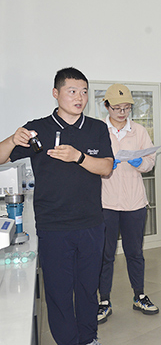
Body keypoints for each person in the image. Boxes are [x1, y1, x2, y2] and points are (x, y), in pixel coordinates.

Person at [0, 68, 113, 345]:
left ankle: (88, 338)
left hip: (91, 223)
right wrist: (13, 140)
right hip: (53, 226)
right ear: (56, 93)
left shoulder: (97, 128)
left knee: (88, 288)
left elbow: (106, 168)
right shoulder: (38, 129)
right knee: (59, 292)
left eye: (84, 92)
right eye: (72, 91)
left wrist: (78, 157)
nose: (79, 97)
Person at [97, 84, 158, 324]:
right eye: (117, 108)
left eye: (126, 108)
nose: (122, 113)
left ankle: (139, 296)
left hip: (134, 202)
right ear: (106, 106)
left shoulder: (139, 131)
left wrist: (139, 162)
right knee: (106, 255)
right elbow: (90, 163)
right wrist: (104, 166)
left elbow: (150, 161)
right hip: (106, 202)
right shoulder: (98, 130)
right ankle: (104, 300)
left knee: (135, 253)